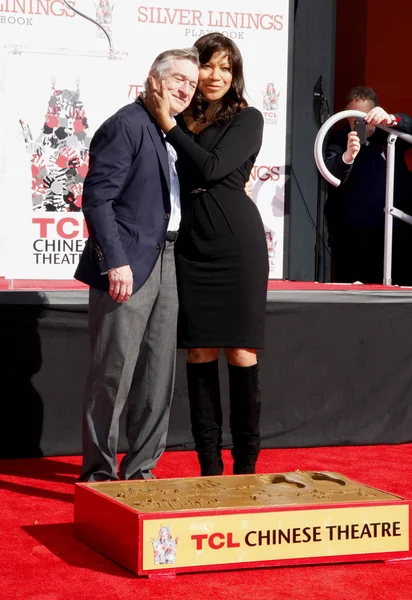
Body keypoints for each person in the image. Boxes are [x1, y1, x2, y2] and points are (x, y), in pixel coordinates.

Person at [74, 48, 199, 482]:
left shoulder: (174, 131)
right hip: (127, 266)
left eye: (192, 83)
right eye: (178, 78)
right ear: (154, 79)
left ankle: (141, 471)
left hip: (169, 261)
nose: (185, 88)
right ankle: (99, 476)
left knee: (156, 376)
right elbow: (97, 199)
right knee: (113, 373)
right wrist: (116, 262)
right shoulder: (125, 125)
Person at [146, 33, 268, 476]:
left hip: (237, 246)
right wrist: (170, 121)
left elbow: (213, 168)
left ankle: (246, 470)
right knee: (199, 354)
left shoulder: (247, 118)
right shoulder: (182, 115)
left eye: (225, 68)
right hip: (192, 247)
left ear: (234, 75)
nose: (215, 76)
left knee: (239, 352)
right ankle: (210, 470)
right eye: (208, 66)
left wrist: (170, 127)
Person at [324, 86, 412, 285]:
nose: (363, 123)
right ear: (348, 118)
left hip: (393, 234)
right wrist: (347, 157)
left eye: (367, 116)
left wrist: (393, 120)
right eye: (356, 118)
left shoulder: (389, 133)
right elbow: (329, 170)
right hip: (352, 238)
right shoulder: (340, 138)